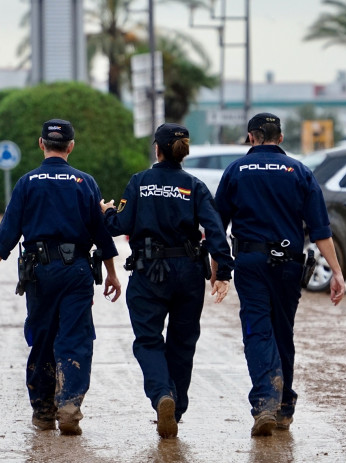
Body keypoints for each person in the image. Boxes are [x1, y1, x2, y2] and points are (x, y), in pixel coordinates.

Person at [0, 119, 122, 436]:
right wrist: (112, 273)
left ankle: (43, 411)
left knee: (42, 338)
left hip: (39, 272)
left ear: (41, 144)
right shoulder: (85, 183)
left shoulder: (27, 183)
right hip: (76, 272)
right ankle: (69, 404)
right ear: (71, 146)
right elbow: (102, 234)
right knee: (75, 337)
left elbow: (7, 233)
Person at [215, 112, 346, 437]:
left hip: (250, 260)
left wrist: (219, 267)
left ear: (251, 137)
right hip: (289, 264)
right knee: (283, 332)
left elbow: (218, 225)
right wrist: (337, 272)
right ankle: (284, 407)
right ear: (281, 138)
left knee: (257, 329)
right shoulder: (299, 171)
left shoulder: (237, 170)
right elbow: (320, 230)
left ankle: (265, 402)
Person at [99, 123, 234, 439]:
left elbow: (119, 226)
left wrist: (105, 212)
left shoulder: (140, 182)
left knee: (148, 340)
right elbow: (216, 231)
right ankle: (177, 407)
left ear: (157, 150)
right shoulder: (195, 186)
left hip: (148, 273)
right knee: (183, 342)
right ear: (183, 152)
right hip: (188, 272)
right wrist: (223, 273)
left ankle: (163, 396)